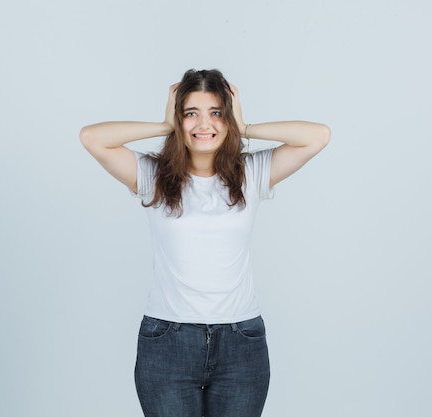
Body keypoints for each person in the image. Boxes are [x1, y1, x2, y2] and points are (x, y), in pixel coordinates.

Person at [79, 69, 330, 417]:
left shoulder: (250, 174)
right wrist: (162, 125)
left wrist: (247, 127)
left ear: (227, 119)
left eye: (216, 113)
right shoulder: (153, 176)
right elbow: (91, 137)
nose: (203, 124)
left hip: (241, 342)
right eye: (190, 113)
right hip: (167, 341)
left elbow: (318, 136)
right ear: (179, 120)